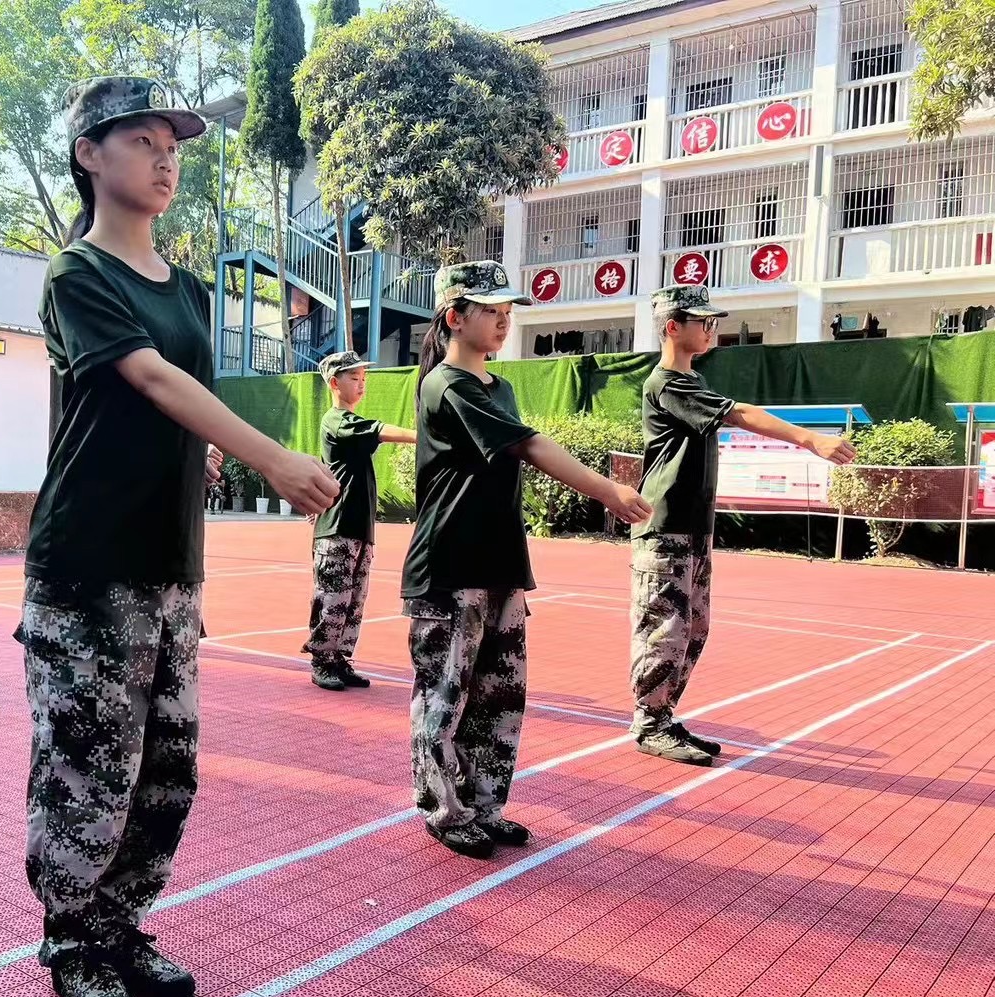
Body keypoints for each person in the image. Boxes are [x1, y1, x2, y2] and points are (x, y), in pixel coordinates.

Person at [21, 76, 338, 997]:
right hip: (90, 558)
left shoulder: (187, 287)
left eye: (173, 146)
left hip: (169, 560)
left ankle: (119, 924)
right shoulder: (77, 273)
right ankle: (72, 940)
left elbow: (181, 399)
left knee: (165, 768)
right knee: (89, 765)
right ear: (88, 154)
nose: (165, 159)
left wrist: (205, 461)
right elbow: (152, 379)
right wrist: (272, 456)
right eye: (142, 141)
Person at [403, 260, 652, 860]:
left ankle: (484, 806)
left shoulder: (499, 387)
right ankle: (444, 810)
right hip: (450, 566)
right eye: (490, 311)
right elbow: (529, 444)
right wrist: (606, 490)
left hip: (499, 563)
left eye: (507, 312)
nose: (503, 321)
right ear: (454, 317)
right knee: (445, 696)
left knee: (499, 695)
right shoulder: (448, 384)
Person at [629, 286, 855, 765]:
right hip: (665, 529)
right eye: (704, 322)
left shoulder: (692, 380)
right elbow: (741, 414)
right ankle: (649, 724)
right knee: (665, 630)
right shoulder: (668, 383)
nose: (712, 329)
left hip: (692, 529)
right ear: (673, 327)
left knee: (694, 629)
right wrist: (808, 439)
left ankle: (663, 716)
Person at [303, 350, 415, 691]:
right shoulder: (336, 420)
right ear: (335, 384)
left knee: (353, 600)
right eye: (354, 378)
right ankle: (322, 660)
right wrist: (422, 435)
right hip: (337, 527)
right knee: (333, 597)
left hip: (359, 527)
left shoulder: (351, 423)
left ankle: (339, 658)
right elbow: (380, 431)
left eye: (364, 378)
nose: (362, 384)